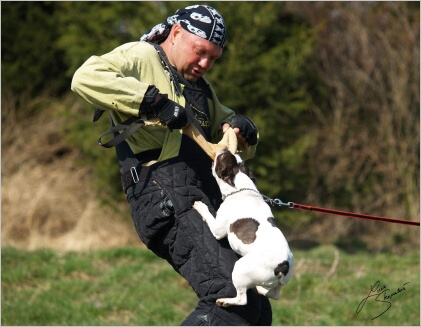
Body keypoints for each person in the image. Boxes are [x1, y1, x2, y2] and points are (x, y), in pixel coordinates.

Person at [71, 4, 272, 325]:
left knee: (256, 308)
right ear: (176, 33)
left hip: (202, 200)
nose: (205, 63)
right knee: (229, 292)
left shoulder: (201, 89)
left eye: (213, 58)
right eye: (200, 52)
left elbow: (230, 139)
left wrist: (245, 127)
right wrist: (152, 101)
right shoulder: (142, 55)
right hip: (162, 196)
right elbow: (85, 77)